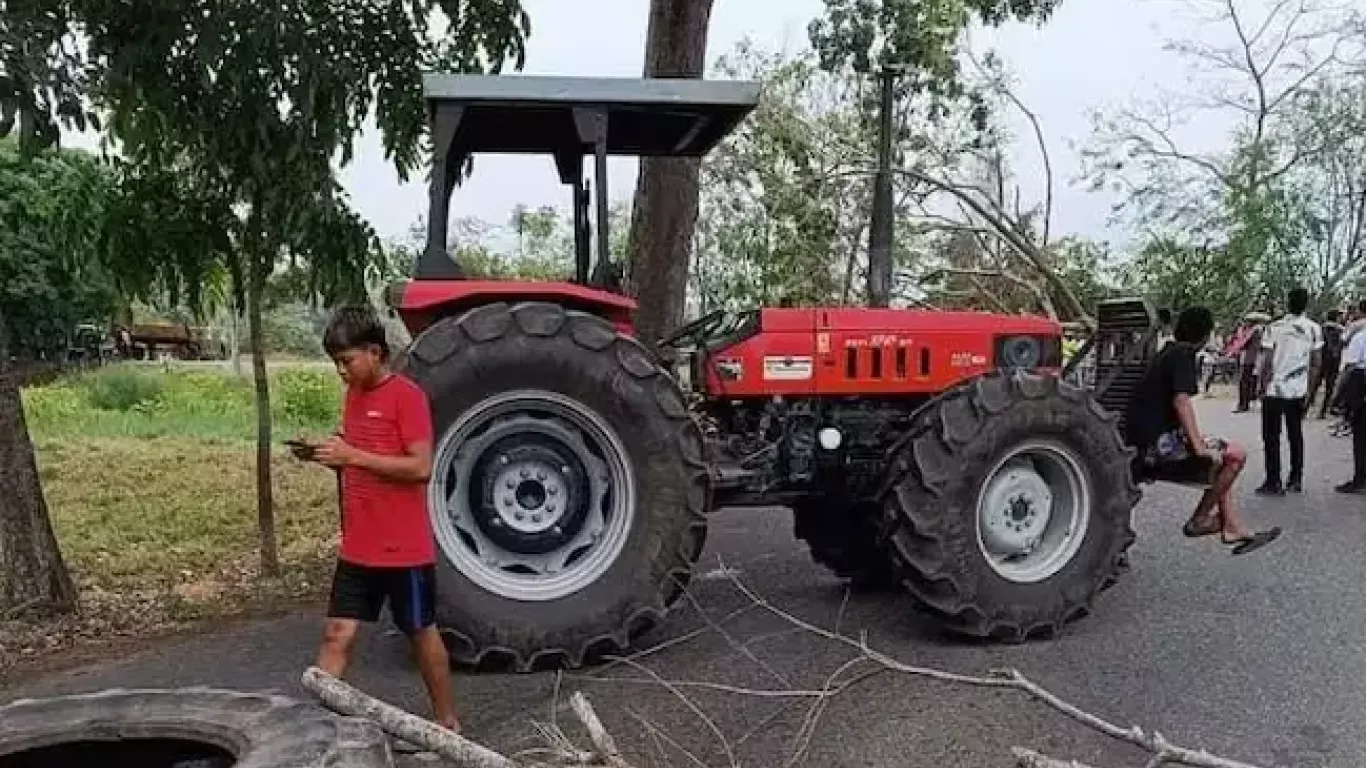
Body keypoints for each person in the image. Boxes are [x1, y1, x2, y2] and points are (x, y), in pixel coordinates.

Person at [297, 305, 461, 734]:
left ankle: (447, 722)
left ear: (375, 351)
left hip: (403, 547)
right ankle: (312, 730)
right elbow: (359, 455)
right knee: (337, 634)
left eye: (347, 361)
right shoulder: (354, 395)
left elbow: (420, 467)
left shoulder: (408, 397)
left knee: (420, 633)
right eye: (335, 362)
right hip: (359, 545)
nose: (341, 371)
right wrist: (332, 456)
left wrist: (353, 456)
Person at [1124, 307, 1281, 555]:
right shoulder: (1184, 353)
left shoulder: (1168, 351)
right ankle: (1200, 520)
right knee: (1236, 455)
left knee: (1221, 453)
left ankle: (1231, 527)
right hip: (1155, 445)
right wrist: (1198, 446)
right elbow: (1181, 401)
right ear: (1205, 334)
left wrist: (1199, 439)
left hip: (1145, 438)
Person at [1256, 287, 1322, 495]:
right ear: (1306, 304)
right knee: (1296, 434)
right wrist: (1310, 392)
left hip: (1274, 389)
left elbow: (1267, 360)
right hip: (1298, 389)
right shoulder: (1313, 328)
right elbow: (1316, 363)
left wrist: (1261, 385)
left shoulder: (1274, 327)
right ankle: (1295, 479)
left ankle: (1273, 480)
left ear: (1288, 302)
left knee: (1271, 436)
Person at [1334, 321, 1366, 493]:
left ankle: (1360, 479)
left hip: (1361, 382)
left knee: (1361, 435)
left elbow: (1350, 366)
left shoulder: (1361, 337)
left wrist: (1339, 393)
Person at [1309, 308, 1345, 418]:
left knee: (1315, 384)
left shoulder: (1321, 328)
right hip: (1333, 361)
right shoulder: (1340, 330)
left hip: (1321, 358)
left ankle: (1305, 407)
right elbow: (1341, 344)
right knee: (1329, 386)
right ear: (1337, 317)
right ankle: (1322, 412)